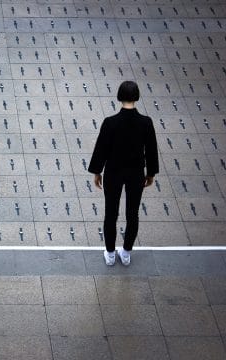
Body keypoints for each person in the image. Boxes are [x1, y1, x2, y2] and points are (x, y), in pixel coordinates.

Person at [88, 81, 159, 266]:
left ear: (119, 96)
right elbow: (151, 150)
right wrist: (150, 173)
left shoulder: (110, 122)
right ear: (137, 97)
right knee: (132, 213)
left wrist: (97, 171)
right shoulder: (146, 122)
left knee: (111, 213)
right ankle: (126, 253)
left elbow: (101, 149)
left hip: (113, 172)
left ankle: (110, 254)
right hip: (136, 173)